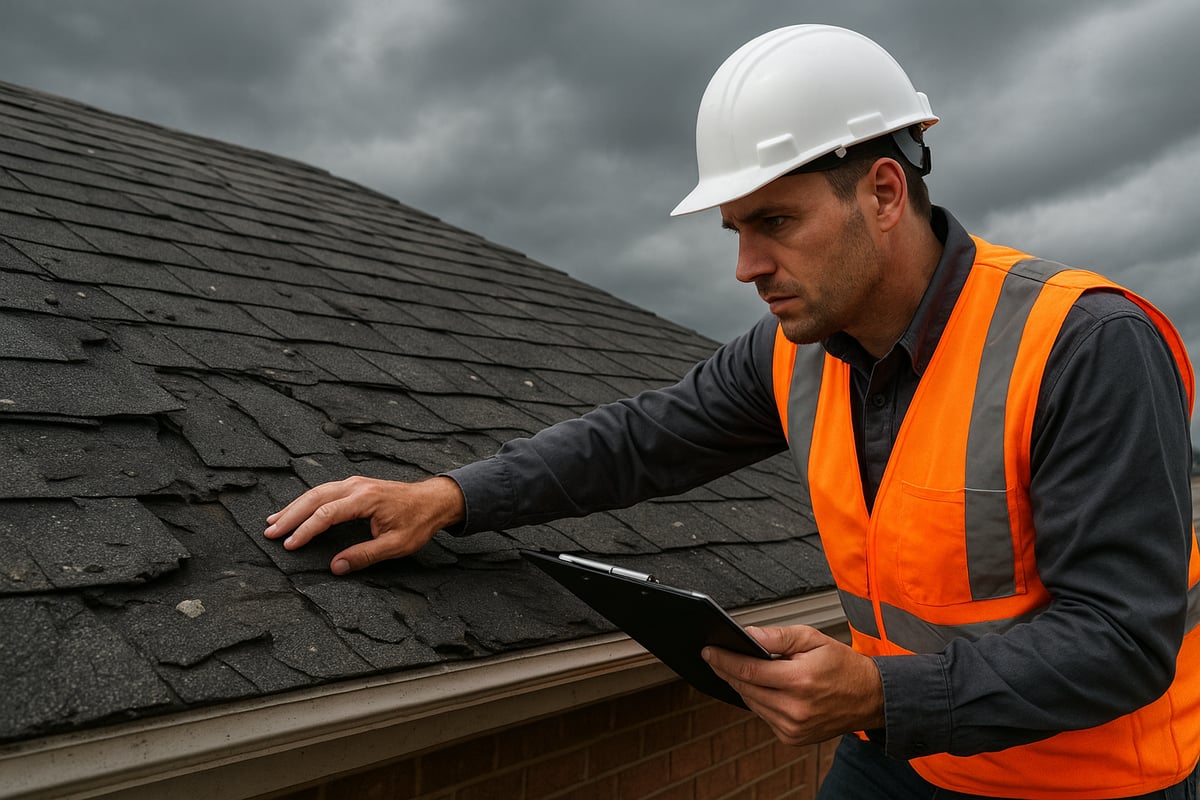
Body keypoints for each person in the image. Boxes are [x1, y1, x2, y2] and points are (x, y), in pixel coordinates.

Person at [264, 25, 1199, 799]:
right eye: (736, 230)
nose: (745, 267)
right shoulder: (794, 353)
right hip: (906, 747)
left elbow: (1121, 638)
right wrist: (447, 496)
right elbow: (636, 442)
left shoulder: (1084, 345)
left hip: (1084, 779)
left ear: (882, 192)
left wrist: (878, 691)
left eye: (776, 223)